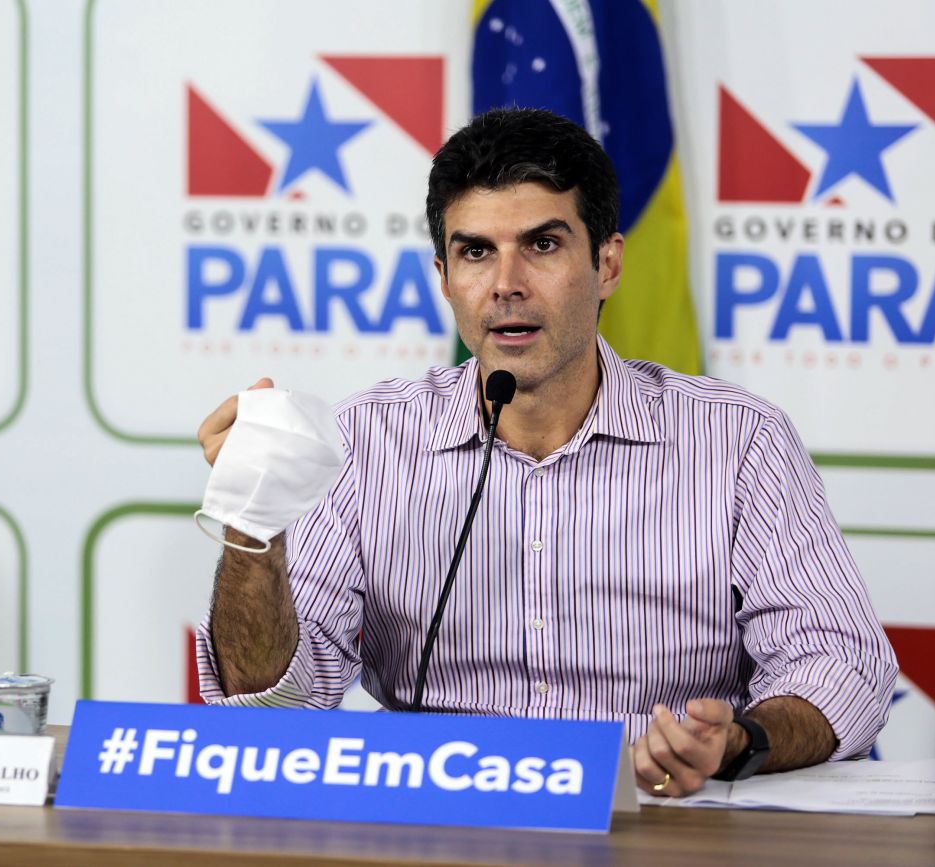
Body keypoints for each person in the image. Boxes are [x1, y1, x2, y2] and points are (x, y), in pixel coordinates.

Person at [194, 108, 897, 798]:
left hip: (657, 816)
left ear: (608, 263)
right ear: (444, 276)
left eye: (543, 244)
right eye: (476, 252)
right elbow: (270, 709)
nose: (506, 283)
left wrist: (737, 741)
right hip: (436, 823)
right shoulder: (366, 440)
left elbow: (842, 664)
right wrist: (255, 524)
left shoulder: (738, 440)